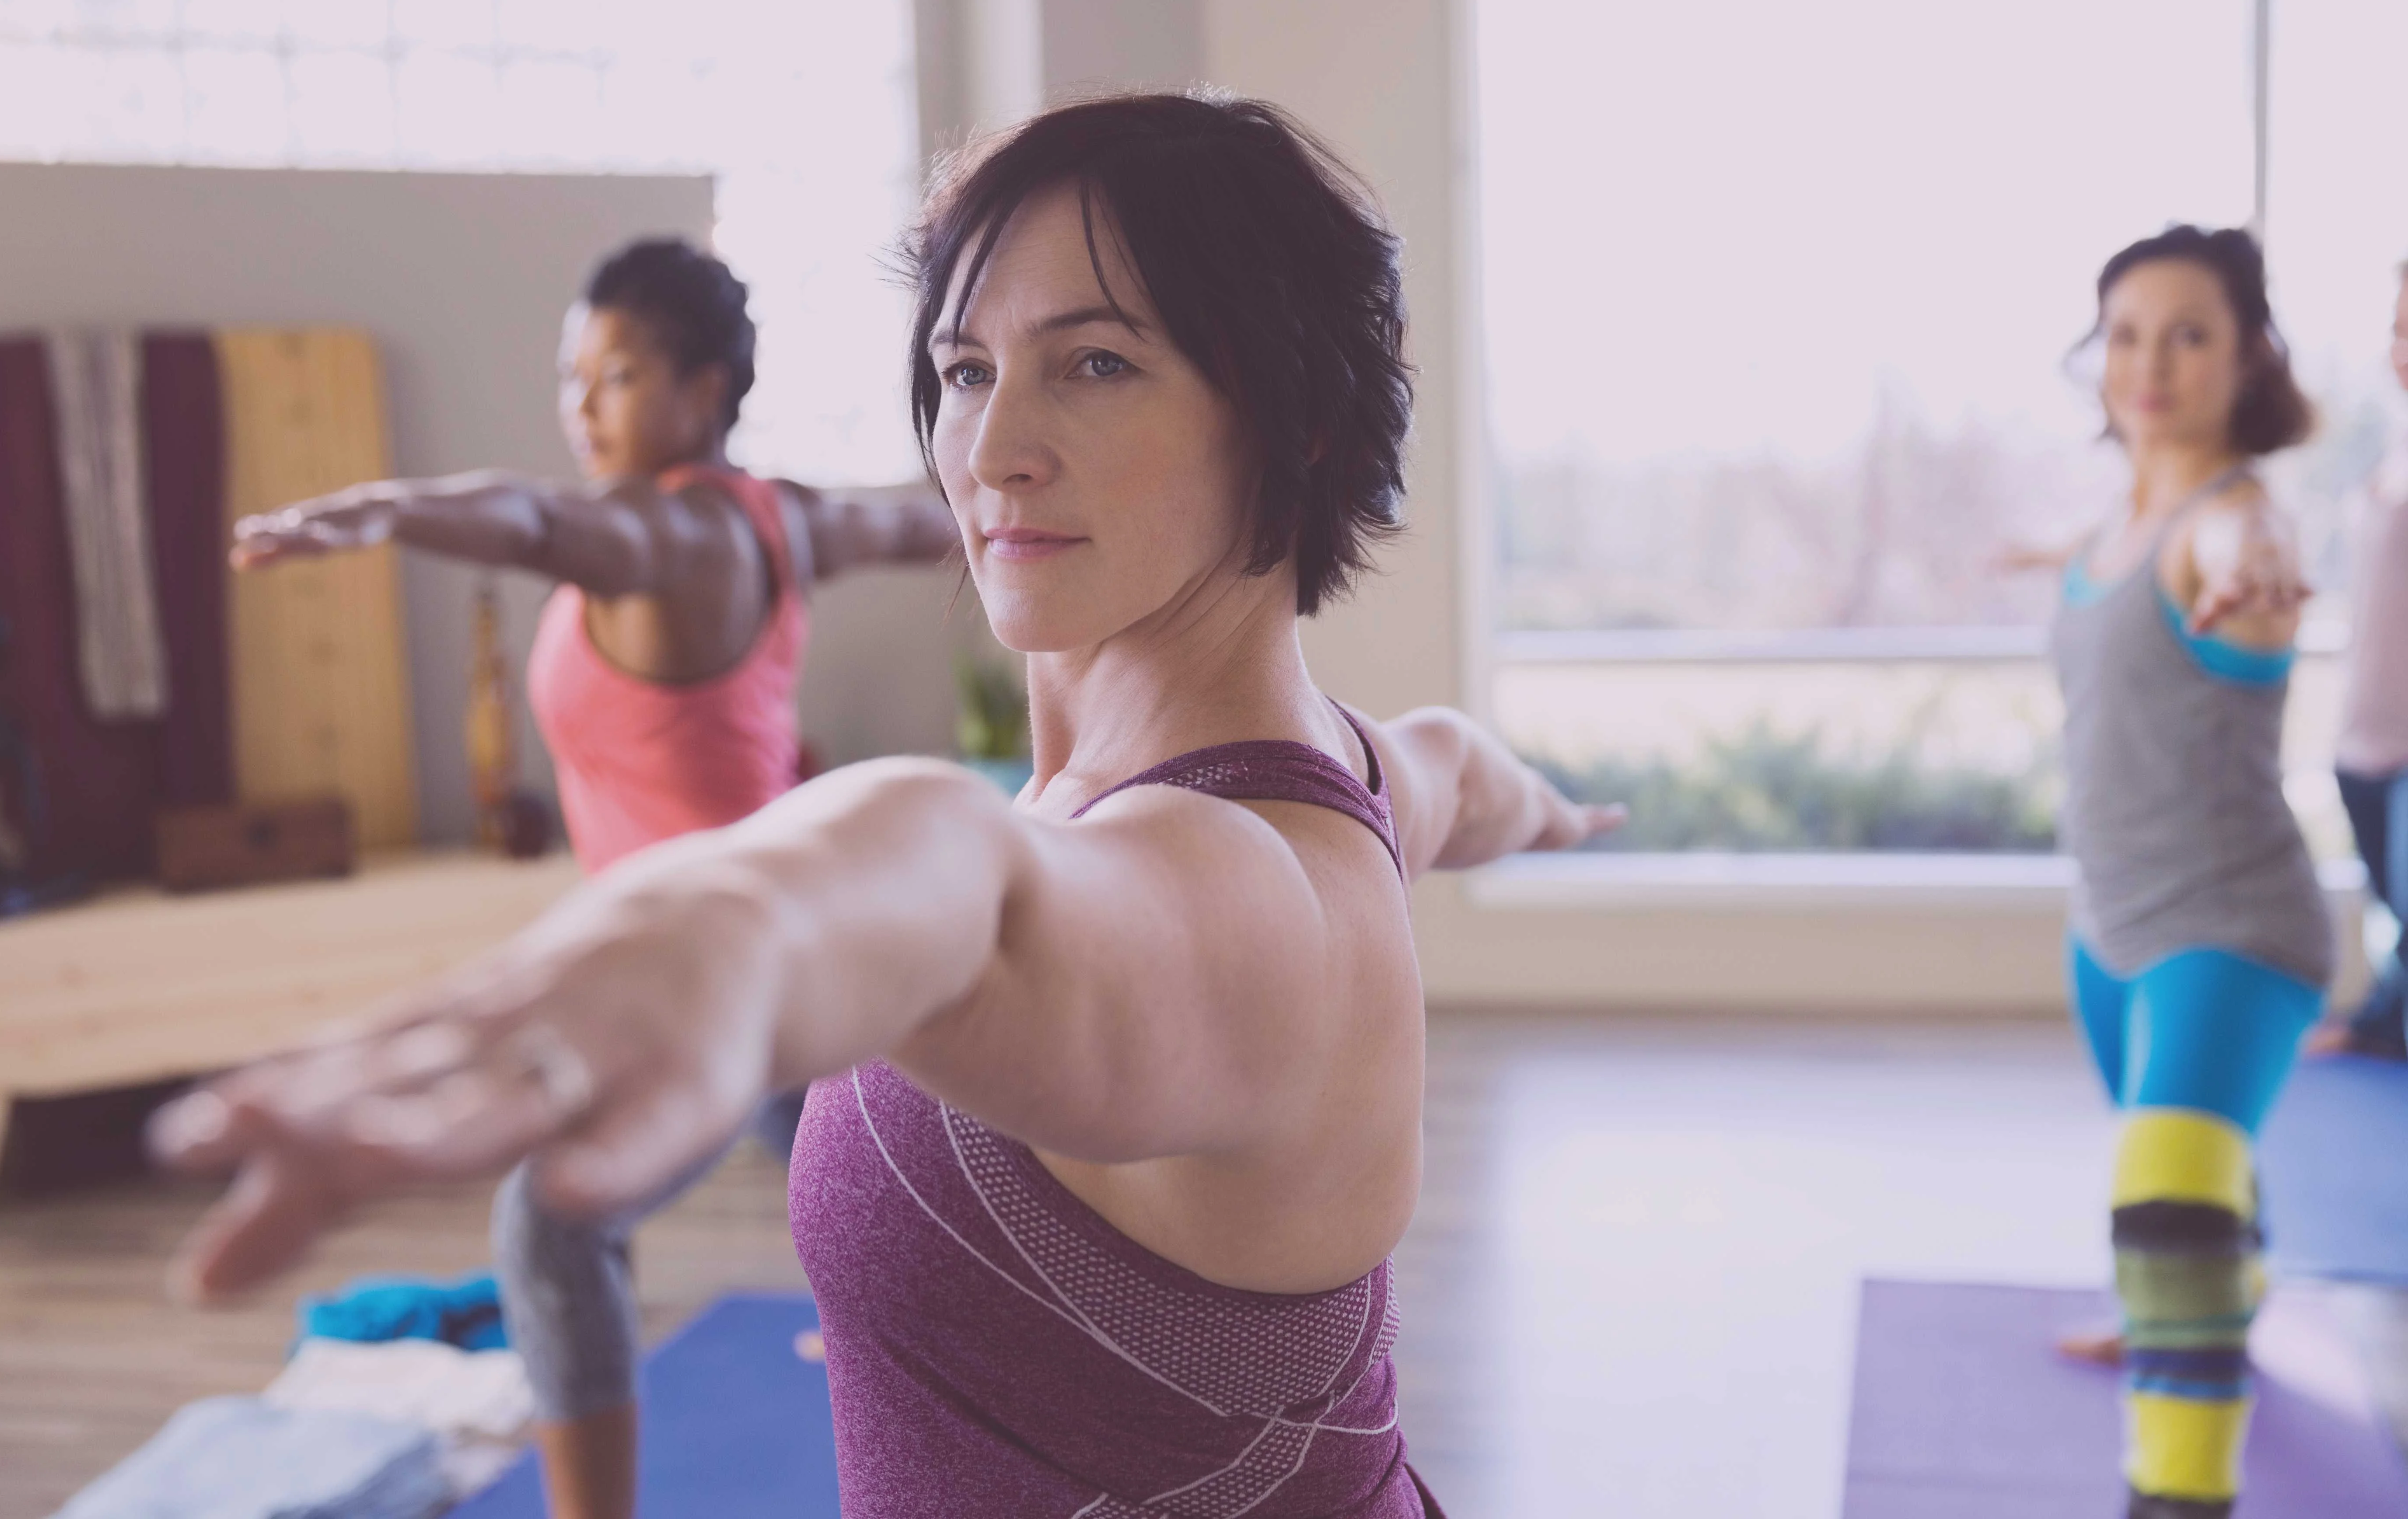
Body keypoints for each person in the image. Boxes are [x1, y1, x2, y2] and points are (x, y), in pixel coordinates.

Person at [153, 93, 1623, 1516]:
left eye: (1097, 363)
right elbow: (1462, 777)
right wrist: (1555, 812)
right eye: (969, 368)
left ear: (1295, 416)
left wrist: (738, 917)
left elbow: (975, 895)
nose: (990, 451)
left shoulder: (1250, 897)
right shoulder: (1358, 768)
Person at [229, 235, 959, 1519]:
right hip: (784, 948)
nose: (582, 406)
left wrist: (386, 511)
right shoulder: (782, 516)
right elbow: (916, 519)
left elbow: (528, 518)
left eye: (616, 376)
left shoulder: (663, 532)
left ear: (703, 387)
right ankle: (947, 1388)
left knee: (554, 1227)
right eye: (575, 377)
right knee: (858, 1197)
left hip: (722, 971)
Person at [2046, 226, 2331, 1519]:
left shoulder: (2234, 521)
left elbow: (2243, 549)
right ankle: (2206, 1298)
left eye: (2190, 333)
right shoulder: (2123, 520)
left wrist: (2256, 564)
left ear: (2249, 356)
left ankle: (2179, 1495)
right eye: (2125, 333)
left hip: (2227, 933)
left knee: (2165, 1208)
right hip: (2108, 930)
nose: (2150, 363)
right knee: (2198, 1181)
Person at [2308, 259, 2408, 1061]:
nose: (2401, 350)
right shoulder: (2389, 452)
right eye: (2399, 330)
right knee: (2391, 909)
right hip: (2366, 729)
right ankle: (2383, 1022)